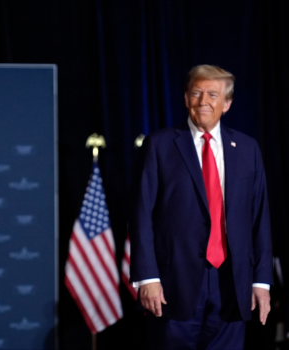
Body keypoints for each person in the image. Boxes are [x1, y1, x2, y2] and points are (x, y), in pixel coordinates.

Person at [129, 64, 273, 349]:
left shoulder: (247, 148)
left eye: (212, 94)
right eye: (196, 93)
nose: (203, 101)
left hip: (233, 284)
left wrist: (262, 282)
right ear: (186, 98)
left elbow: (260, 219)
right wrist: (147, 277)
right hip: (173, 286)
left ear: (227, 103)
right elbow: (141, 214)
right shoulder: (159, 145)